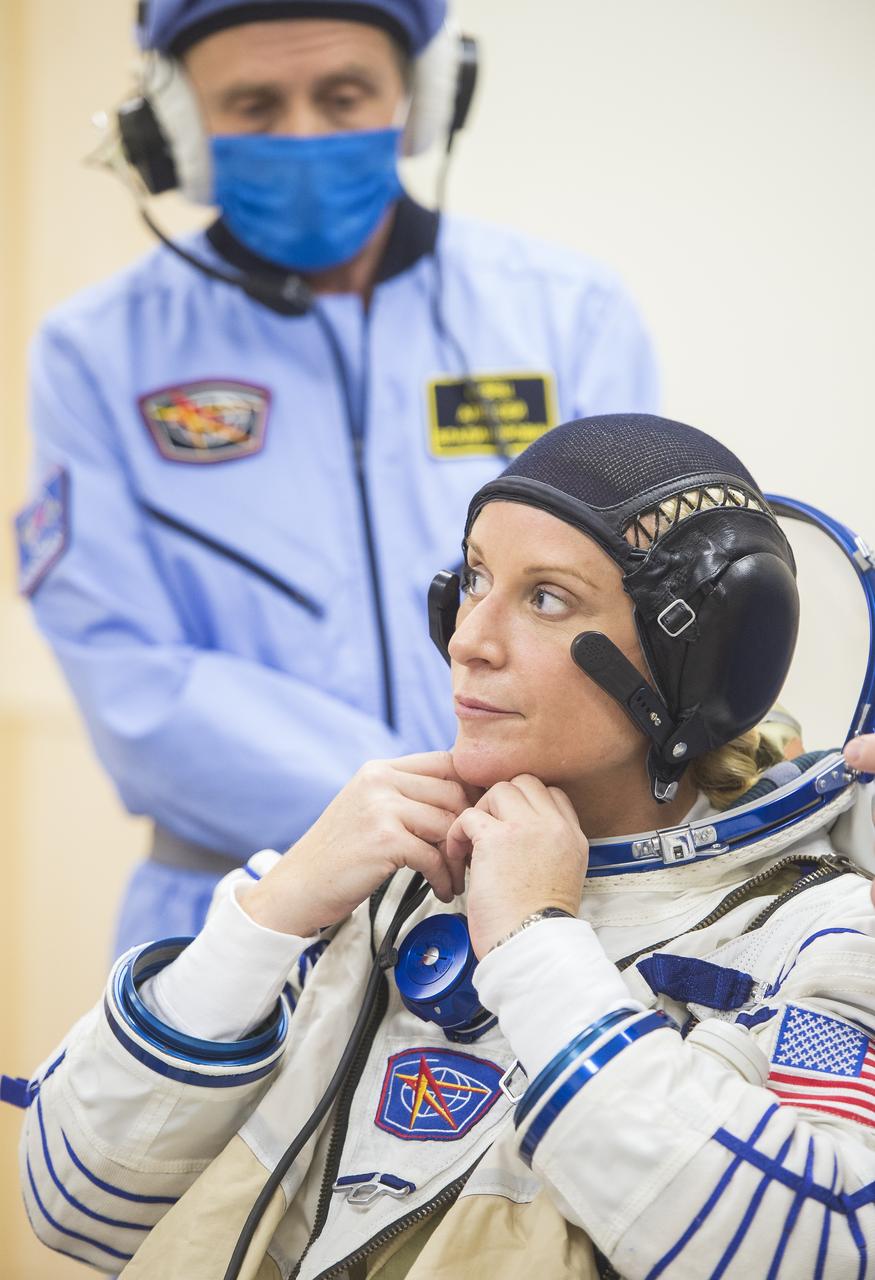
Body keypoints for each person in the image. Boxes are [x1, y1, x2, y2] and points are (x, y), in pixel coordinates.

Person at [16, 413, 875, 1278]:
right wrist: (268, 919)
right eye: (473, 578)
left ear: (702, 659)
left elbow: (821, 1250)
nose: (467, 641)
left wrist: (535, 949)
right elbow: (73, 1200)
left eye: (546, 598)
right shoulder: (373, 884)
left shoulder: (817, 937)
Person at [15, 0, 658, 957]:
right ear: (178, 125)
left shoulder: (567, 316)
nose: (304, 134)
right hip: (240, 913)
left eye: (344, 94)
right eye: (255, 105)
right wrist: (420, 804)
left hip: (537, 905)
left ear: (422, 96)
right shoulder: (96, 353)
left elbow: (636, 613)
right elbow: (130, 675)